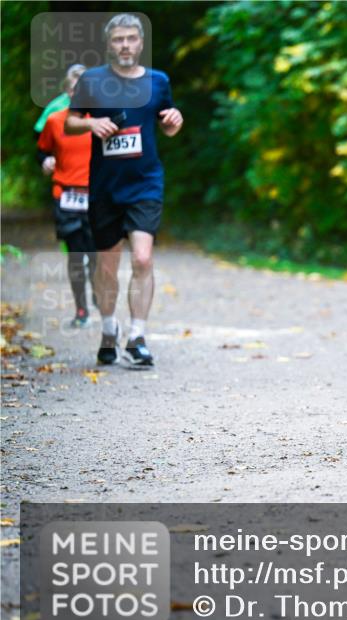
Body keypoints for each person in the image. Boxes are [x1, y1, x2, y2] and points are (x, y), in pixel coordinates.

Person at [65, 14, 183, 366]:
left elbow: (167, 121)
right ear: (109, 43)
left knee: (143, 258)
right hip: (105, 187)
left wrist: (174, 122)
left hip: (145, 182)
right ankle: (108, 329)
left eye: (132, 38)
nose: (126, 45)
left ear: (141, 43)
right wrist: (91, 122)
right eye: (119, 39)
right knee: (106, 266)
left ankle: (137, 337)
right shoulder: (92, 80)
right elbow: (70, 122)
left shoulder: (158, 81)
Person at [36, 64, 96, 327]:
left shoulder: (101, 120)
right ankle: (81, 310)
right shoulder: (54, 120)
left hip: (97, 196)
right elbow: (42, 150)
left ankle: (98, 293)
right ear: (66, 91)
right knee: (75, 255)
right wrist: (46, 160)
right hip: (66, 195)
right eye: (74, 89)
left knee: (96, 254)